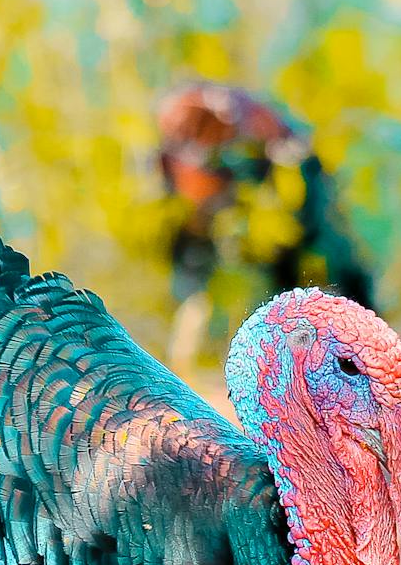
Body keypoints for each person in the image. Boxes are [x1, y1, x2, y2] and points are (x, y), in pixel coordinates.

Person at [156, 82, 376, 368]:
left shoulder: (260, 139)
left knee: (324, 267)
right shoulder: (176, 151)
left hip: (290, 193)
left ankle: (359, 352)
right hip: (241, 199)